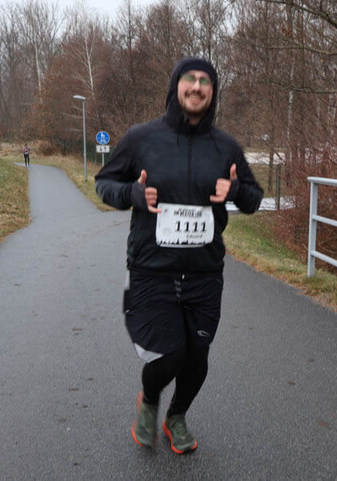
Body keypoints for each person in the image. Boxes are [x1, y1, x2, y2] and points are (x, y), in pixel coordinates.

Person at [95, 57, 263, 454]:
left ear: (213, 92)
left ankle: (176, 416)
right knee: (170, 355)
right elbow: (104, 184)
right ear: (176, 86)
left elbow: (254, 198)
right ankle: (150, 400)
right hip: (152, 269)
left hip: (204, 272)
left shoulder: (226, 147)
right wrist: (132, 194)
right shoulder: (141, 138)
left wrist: (236, 191)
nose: (197, 87)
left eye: (206, 81)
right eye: (190, 78)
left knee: (198, 358)